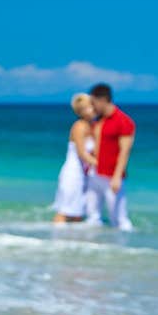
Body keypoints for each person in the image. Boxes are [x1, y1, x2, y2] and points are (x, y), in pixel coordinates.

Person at [84, 83, 136, 231]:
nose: (93, 108)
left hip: (111, 174)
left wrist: (117, 176)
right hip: (94, 172)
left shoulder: (123, 121)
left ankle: (126, 247)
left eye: (94, 103)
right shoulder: (98, 121)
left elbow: (125, 151)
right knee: (92, 215)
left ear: (103, 100)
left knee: (118, 217)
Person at [51, 93, 98, 223]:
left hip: (84, 175)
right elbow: (82, 153)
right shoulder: (79, 126)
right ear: (80, 111)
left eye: (92, 106)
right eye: (88, 107)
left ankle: (72, 242)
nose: (92, 110)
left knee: (77, 212)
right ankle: (55, 239)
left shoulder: (92, 126)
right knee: (65, 211)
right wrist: (104, 165)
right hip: (73, 174)